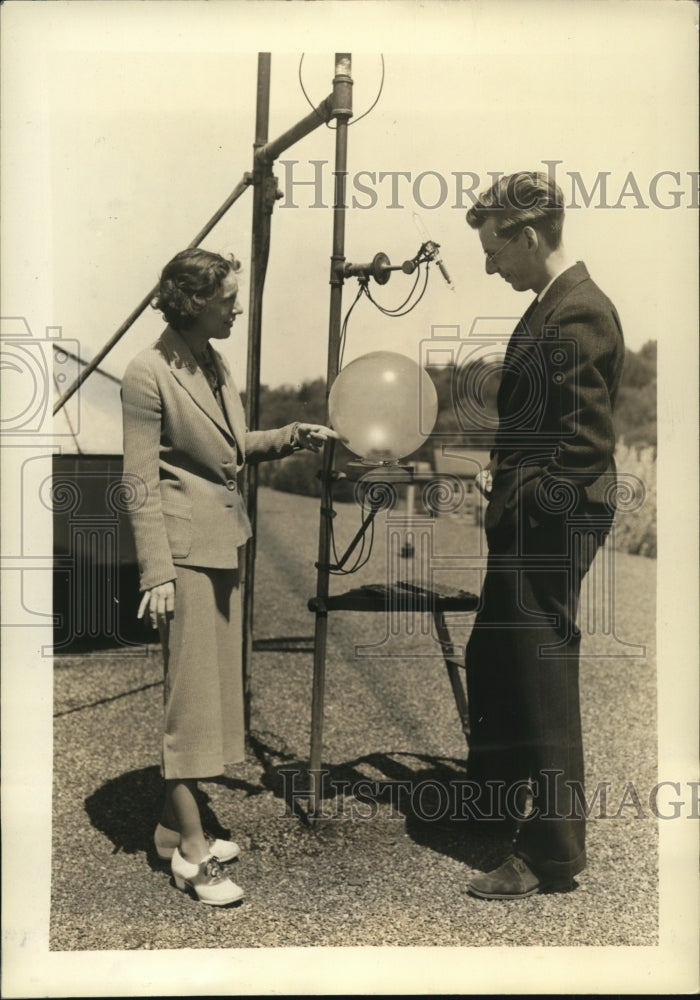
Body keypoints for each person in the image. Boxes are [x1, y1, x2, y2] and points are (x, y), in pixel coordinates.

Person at [121, 247, 338, 906]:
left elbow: (230, 446)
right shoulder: (146, 373)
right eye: (227, 299)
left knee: (214, 699)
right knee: (189, 708)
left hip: (224, 547)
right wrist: (156, 572)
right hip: (184, 559)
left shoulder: (212, 363)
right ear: (192, 301)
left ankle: (168, 826)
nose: (237, 307)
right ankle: (190, 857)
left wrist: (295, 434)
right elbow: (137, 482)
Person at [463, 172, 625, 899]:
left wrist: (521, 496)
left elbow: (585, 447)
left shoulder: (578, 313)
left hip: (551, 517)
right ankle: (497, 800)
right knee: (494, 651)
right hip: (530, 503)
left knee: (540, 666)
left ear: (527, 236)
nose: (489, 264)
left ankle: (553, 853)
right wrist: (501, 470)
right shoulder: (549, 307)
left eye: (494, 249)